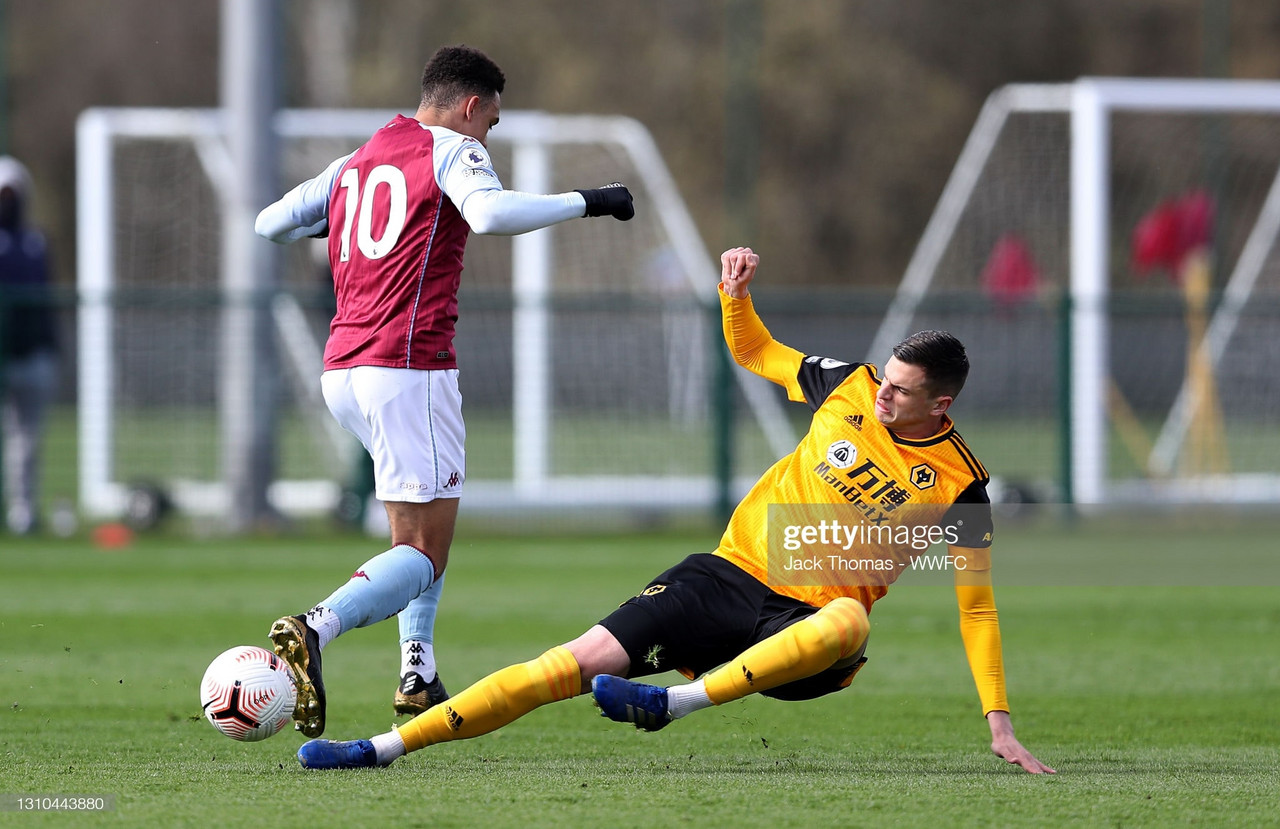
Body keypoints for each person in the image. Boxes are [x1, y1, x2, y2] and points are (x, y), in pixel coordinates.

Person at [295, 246, 1054, 775]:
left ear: (941, 403)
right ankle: (378, 748)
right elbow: (758, 352)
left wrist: (1000, 723)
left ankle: (672, 703)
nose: (882, 392)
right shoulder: (847, 385)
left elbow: (977, 608)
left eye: (900, 390)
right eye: (884, 378)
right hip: (724, 577)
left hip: (806, 635)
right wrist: (735, 296)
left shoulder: (963, 484)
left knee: (852, 623)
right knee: (567, 664)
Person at [253, 44, 635, 737]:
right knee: (425, 549)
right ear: (470, 107)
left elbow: (271, 222)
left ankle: (417, 671)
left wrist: (339, 218)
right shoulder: (452, 149)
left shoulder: (362, 157)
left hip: (343, 366)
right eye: (491, 121)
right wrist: (591, 201)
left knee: (417, 533)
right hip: (408, 367)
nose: (489, 135)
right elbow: (488, 215)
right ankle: (315, 626)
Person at [0, 157, 59, 536]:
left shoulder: (35, 242)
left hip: (32, 355)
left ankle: (23, 511)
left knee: (27, 441)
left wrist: (50, 345)